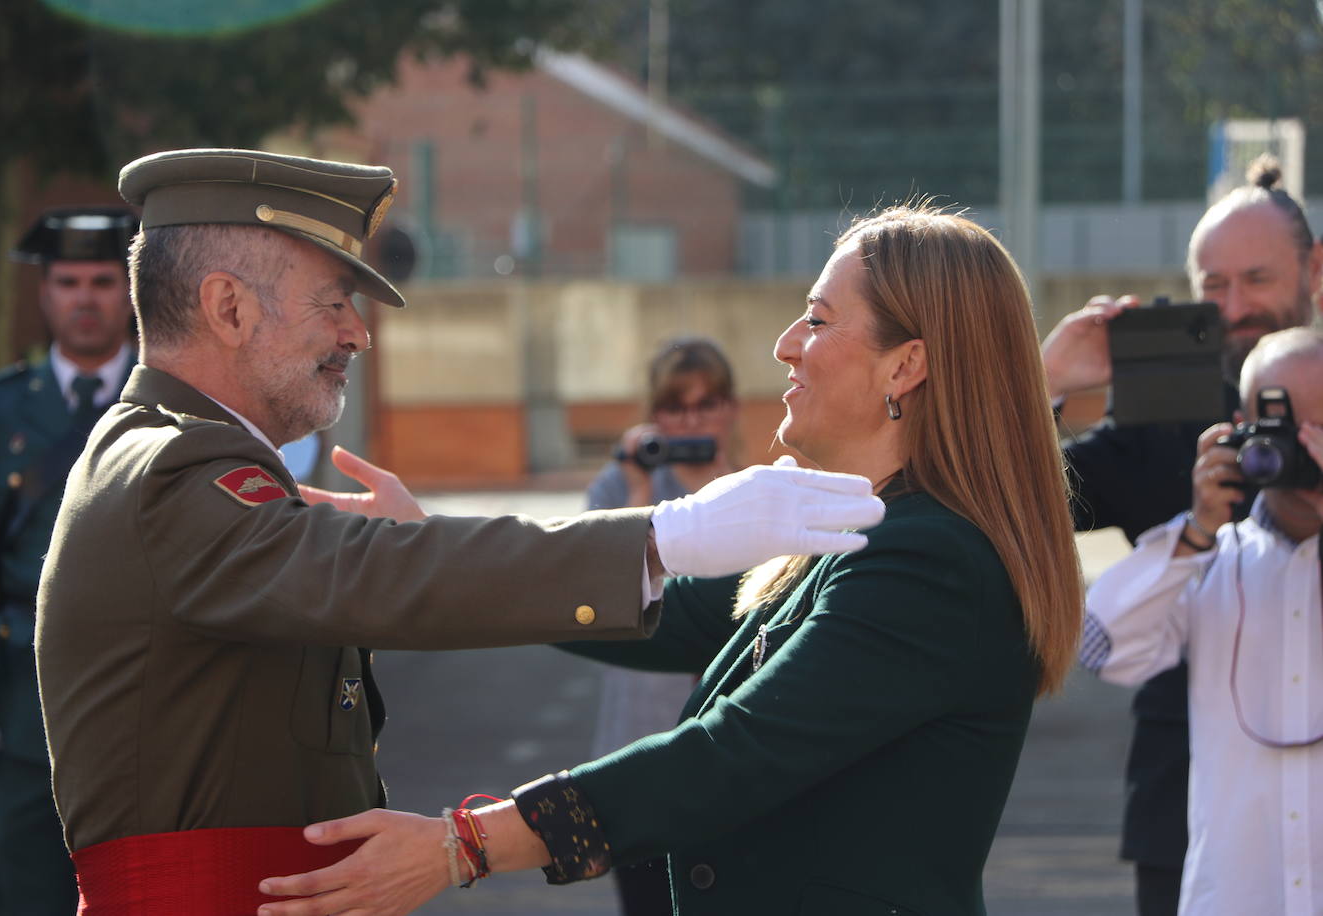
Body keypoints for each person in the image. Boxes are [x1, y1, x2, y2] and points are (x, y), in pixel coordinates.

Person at [32, 147, 887, 911]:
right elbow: (373, 577)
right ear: (227, 308)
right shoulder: (173, 474)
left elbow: (373, 575)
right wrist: (663, 535)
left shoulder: (182, 464)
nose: (356, 334)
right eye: (333, 302)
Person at [256, 203, 1086, 916]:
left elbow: (729, 756)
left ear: (906, 365)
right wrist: (434, 541)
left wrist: (461, 846)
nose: (786, 345)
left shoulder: (931, 564)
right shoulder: (857, 530)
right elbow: (654, 606)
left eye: (820, 318)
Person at [1041, 154, 1322, 916]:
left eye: (1257, 280)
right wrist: (1048, 384)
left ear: (1314, 270)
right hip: (1189, 809)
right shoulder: (1161, 420)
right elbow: (1017, 507)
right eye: (1213, 285)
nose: (1233, 307)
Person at [1082, 326, 1323, 916]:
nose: (1305, 450)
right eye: (1286, 429)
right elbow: (1102, 645)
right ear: (1242, 428)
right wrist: (1194, 531)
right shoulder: (1211, 559)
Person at [0, 207, 137, 914]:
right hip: (17, 718)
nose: (84, 298)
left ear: (131, 290)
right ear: (43, 292)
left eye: (102, 280)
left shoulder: (174, 407)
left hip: (145, 707)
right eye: (66, 281)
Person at [586, 336, 741, 916]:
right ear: (656, 414)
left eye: (707, 403)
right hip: (638, 742)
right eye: (677, 405)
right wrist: (638, 493)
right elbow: (588, 591)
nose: (692, 419)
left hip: (728, 747)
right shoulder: (620, 482)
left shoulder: (752, 488)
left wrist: (716, 480)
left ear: (730, 409)